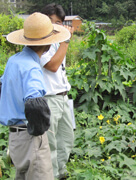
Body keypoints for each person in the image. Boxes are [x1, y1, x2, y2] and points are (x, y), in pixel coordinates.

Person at [0, 12, 71, 180]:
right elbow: (35, 105)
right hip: (30, 137)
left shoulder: (14, 60)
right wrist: (39, 133)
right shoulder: (32, 67)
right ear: (48, 44)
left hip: (15, 137)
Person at [40, 3, 75, 179]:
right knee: (51, 143)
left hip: (63, 97)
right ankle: (51, 175)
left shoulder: (58, 42)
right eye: (52, 22)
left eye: (59, 22)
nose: (56, 26)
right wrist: (66, 41)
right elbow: (53, 66)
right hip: (49, 98)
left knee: (67, 138)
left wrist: (62, 42)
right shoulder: (39, 43)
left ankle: (61, 172)